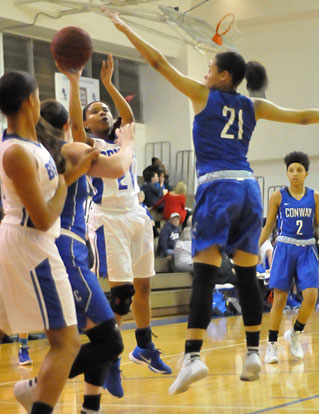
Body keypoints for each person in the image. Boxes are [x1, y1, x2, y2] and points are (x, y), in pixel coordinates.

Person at [104, 8, 319, 393]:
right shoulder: (253, 106)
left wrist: (124, 27)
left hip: (218, 187)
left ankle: (192, 357)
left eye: (208, 68)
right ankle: (254, 352)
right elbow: (304, 117)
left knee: (204, 273)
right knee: (246, 275)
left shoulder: (203, 95)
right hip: (250, 190)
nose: (203, 73)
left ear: (222, 76)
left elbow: (155, 62)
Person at [61, 54, 172, 396]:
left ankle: (143, 347)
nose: (103, 112)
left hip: (136, 215)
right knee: (122, 293)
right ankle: (112, 359)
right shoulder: (87, 144)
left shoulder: (124, 138)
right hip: (107, 218)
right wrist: (77, 82)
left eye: (104, 109)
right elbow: (76, 125)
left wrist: (108, 84)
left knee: (143, 288)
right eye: (95, 111)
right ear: (86, 122)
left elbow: (128, 115)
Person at [39, 98, 135, 411]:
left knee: (91, 340)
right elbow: (120, 165)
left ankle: (90, 406)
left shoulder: (30, 155)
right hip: (66, 249)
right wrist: (128, 142)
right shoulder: (69, 151)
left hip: (60, 247)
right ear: (69, 126)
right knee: (109, 341)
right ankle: (37, 388)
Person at [0, 70, 81, 414]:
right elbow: (44, 216)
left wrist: (73, 174)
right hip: (30, 245)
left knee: (65, 342)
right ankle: (35, 401)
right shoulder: (15, 152)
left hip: (36, 242)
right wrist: (65, 185)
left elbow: (52, 190)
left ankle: (32, 395)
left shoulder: (32, 145)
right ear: (29, 101)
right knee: (66, 342)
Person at [259, 151, 319, 364]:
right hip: (284, 248)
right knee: (280, 299)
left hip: (307, 249)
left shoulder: (314, 196)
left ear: (306, 173)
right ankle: (272, 345)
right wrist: (256, 249)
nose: (294, 173)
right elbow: (268, 226)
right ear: (286, 173)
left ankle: (295, 334)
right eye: (291, 170)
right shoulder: (277, 196)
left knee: (311, 296)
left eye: (299, 170)